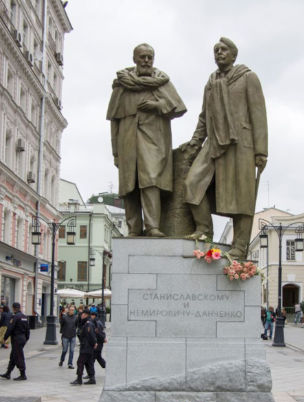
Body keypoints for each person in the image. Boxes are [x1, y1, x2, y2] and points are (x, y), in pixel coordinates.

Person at [183, 37, 268, 258]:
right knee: (193, 183)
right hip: (213, 143)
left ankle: (240, 245)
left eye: (223, 49)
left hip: (241, 144)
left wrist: (261, 151)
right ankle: (204, 229)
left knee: (242, 196)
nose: (219, 53)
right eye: (215, 50)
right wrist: (195, 142)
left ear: (233, 54)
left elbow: (258, 114)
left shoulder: (248, 77)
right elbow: (204, 116)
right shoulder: (211, 82)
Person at [107, 43, 187, 237]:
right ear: (134, 59)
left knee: (150, 181)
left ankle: (152, 227)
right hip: (127, 141)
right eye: (142, 57)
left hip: (153, 140)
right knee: (129, 185)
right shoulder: (122, 85)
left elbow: (179, 107)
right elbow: (114, 120)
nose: (146, 61)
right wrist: (115, 151)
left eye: (149, 57)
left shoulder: (161, 82)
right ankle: (134, 228)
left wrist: (157, 105)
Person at [0, 302, 30, 381]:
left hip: (16, 339)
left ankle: (23, 374)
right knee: (13, 356)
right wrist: (26, 338)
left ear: (13, 308)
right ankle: (8, 373)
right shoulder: (24, 317)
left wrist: (5, 338)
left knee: (18, 356)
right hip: (22, 338)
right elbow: (28, 329)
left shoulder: (15, 317)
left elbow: (10, 328)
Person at [71, 308, 97, 385]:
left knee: (80, 362)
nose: (81, 315)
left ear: (86, 315)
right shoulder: (86, 323)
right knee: (88, 362)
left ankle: (79, 379)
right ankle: (92, 378)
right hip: (87, 346)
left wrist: (94, 343)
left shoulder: (88, 324)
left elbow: (91, 335)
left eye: (83, 314)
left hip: (86, 346)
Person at [59, 304, 77, 369]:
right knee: (64, 350)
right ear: (68, 310)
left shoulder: (76, 317)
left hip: (73, 336)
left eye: (73, 310)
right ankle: (62, 360)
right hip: (65, 335)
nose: (72, 311)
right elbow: (61, 324)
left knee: (72, 350)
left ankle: (70, 363)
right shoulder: (64, 317)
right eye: (71, 310)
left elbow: (77, 325)